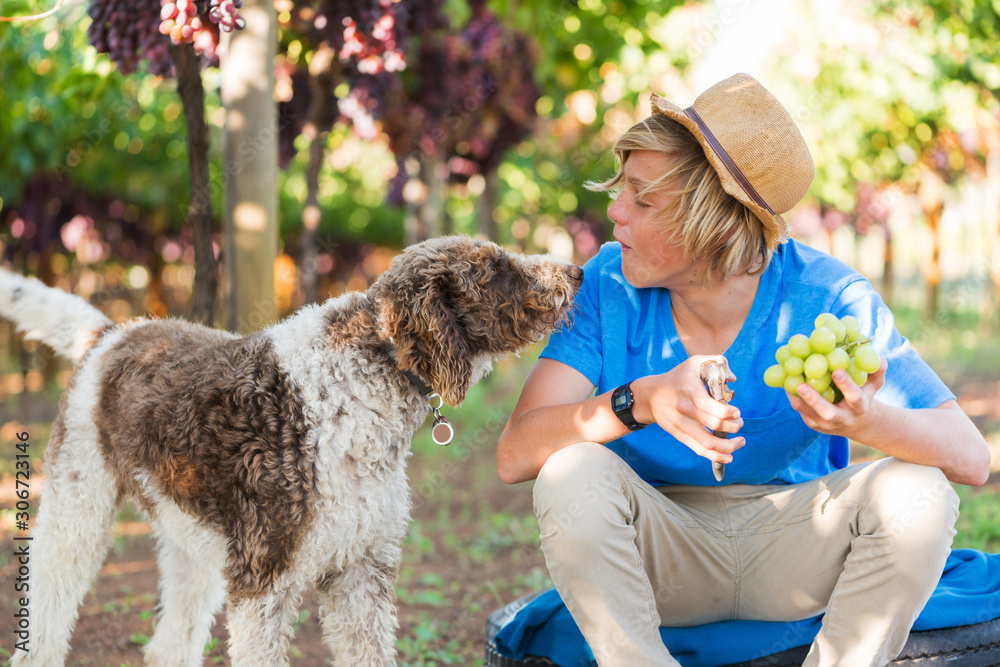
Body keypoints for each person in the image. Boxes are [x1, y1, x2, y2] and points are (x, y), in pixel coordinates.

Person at [496, 73, 991, 667]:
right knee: (569, 470)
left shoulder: (826, 294)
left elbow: (971, 457)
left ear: (718, 223)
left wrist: (863, 419)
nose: (615, 211)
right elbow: (515, 453)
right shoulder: (606, 285)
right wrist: (639, 401)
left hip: (796, 552)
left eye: (643, 199)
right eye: (621, 190)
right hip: (663, 557)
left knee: (918, 490)